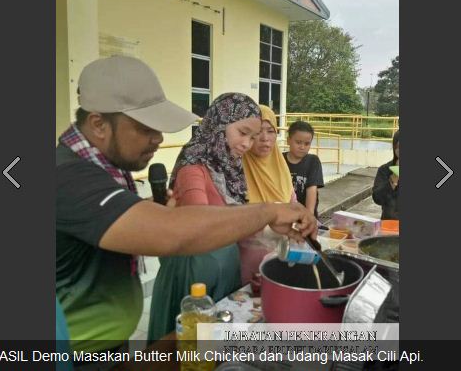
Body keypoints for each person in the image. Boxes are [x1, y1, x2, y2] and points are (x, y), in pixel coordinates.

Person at [56, 56, 316, 356]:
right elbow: (173, 233)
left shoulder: (101, 170)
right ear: (99, 124)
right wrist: (268, 211)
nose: (159, 139)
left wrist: (146, 209)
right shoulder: (69, 176)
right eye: (146, 128)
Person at [147, 92, 261, 342]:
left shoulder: (228, 168)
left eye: (253, 138)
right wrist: (263, 215)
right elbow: (202, 222)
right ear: (219, 124)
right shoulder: (192, 167)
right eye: (242, 133)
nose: (247, 144)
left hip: (224, 267)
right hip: (194, 275)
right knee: (189, 346)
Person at [239, 105, 298, 285]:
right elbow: (233, 220)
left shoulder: (281, 167)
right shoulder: (237, 169)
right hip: (249, 259)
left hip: (283, 255)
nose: (265, 138)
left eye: (270, 131)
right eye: (258, 132)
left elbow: (293, 205)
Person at [283, 121, 324, 219]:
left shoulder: (313, 161)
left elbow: (312, 189)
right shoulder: (280, 160)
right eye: (298, 142)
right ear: (288, 140)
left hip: (306, 216)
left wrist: (308, 217)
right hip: (284, 215)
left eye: (307, 144)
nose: (302, 147)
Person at [372, 130, 399, 220]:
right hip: (389, 225)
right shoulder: (385, 170)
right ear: (395, 148)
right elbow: (377, 198)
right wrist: (394, 178)